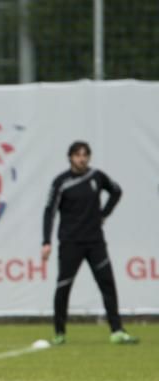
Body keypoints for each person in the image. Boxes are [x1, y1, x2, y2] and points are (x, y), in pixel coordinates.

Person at [41, 141, 137, 345]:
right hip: (70, 243)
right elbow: (49, 211)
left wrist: (104, 214)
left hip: (95, 242)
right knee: (63, 287)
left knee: (107, 284)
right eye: (77, 155)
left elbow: (116, 191)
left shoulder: (97, 177)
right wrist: (46, 241)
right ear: (70, 157)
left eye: (85, 155)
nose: (82, 158)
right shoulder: (61, 182)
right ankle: (60, 333)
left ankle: (117, 331)